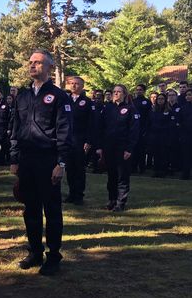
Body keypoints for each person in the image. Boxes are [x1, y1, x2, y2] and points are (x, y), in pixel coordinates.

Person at [9, 50, 72, 275]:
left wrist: (61, 163)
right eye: (30, 62)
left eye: (37, 62)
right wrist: (14, 157)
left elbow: (64, 131)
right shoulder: (23, 96)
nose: (32, 65)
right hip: (26, 160)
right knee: (31, 208)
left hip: (48, 160)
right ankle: (34, 251)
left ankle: (53, 256)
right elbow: (16, 129)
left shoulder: (59, 96)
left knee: (52, 210)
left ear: (48, 67)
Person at [95, 84, 139, 212]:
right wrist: (100, 147)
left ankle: (121, 202)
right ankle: (112, 200)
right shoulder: (107, 108)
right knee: (111, 176)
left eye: (119, 92)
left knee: (122, 176)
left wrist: (129, 149)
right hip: (109, 147)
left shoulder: (130, 109)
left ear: (124, 94)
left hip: (123, 147)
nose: (116, 94)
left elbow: (134, 131)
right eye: (114, 91)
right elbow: (101, 128)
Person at [65, 76, 94, 205]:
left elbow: (91, 123)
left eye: (76, 84)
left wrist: (88, 140)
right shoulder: (65, 100)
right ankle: (71, 193)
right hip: (67, 140)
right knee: (69, 168)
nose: (74, 86)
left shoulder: (87, 102)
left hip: (81, 140)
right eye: (71, 83)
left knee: (79, 169)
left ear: (82, 86)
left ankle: (79, 195)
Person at [147, 93, 171, 177]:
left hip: (164, 135)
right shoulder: (153, 110)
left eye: (162, 99)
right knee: (156, 154)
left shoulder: (169, 111)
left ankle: (163, 170)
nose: (160, 100)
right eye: (159, 99)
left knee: (163, 153)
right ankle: (156, 170)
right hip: (154, 135)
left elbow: (170, 123)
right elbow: (150, 122)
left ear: (165, 100)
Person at [132, 84, 151, 174]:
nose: (138, 91)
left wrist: (146, 129)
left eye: (140, 90)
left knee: (142, 150)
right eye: (137, 90)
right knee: (133, 149)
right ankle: (133, 167)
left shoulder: (147, 102)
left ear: (144, 91)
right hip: (133, 129)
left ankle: (142, 168)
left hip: (143, 129)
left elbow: (149, 117)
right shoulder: (132, 101)